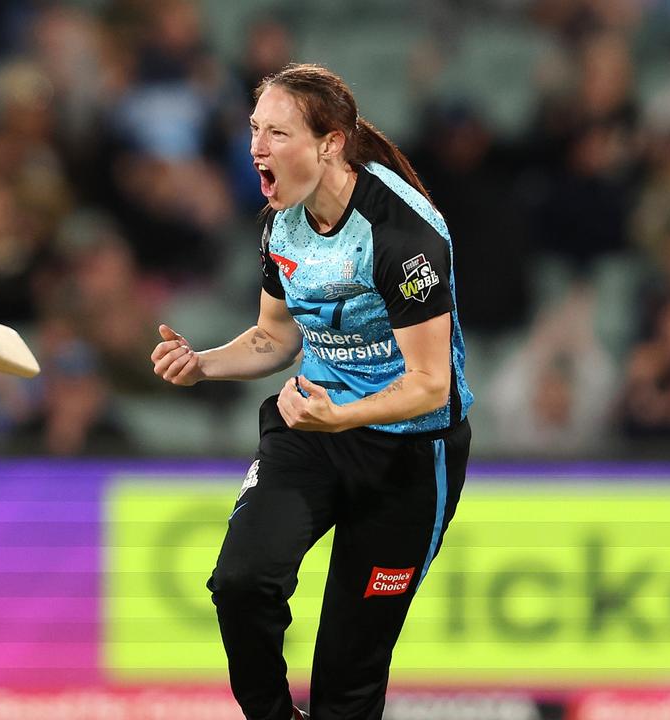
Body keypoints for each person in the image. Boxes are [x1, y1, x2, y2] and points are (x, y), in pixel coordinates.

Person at [150, 63, 473, 720]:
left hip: (410, 458)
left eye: (277, 133)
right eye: (253, 130)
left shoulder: (402, 237)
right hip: (311, 431)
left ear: (330, 145)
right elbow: (275, 339)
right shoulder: (280, 225)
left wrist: (344, 414)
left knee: (347, 685)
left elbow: (431, 386)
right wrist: (202, 363)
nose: (256, 149)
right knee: (241, 584)